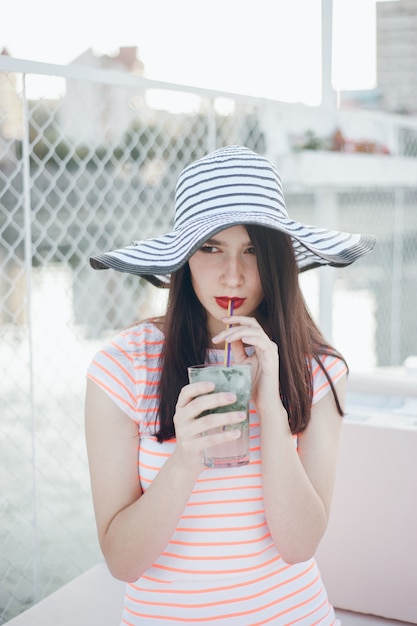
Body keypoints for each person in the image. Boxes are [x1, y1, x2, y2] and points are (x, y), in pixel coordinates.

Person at [85, 145, 376, 625]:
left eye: (253, 250)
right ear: (183, 258)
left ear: (277, 260)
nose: (234, 275)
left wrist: (272, 408)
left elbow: (298, 545)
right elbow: (123, 561)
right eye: (211, 247)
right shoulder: (123, 366)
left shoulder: (318, 369)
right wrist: (183, 462)